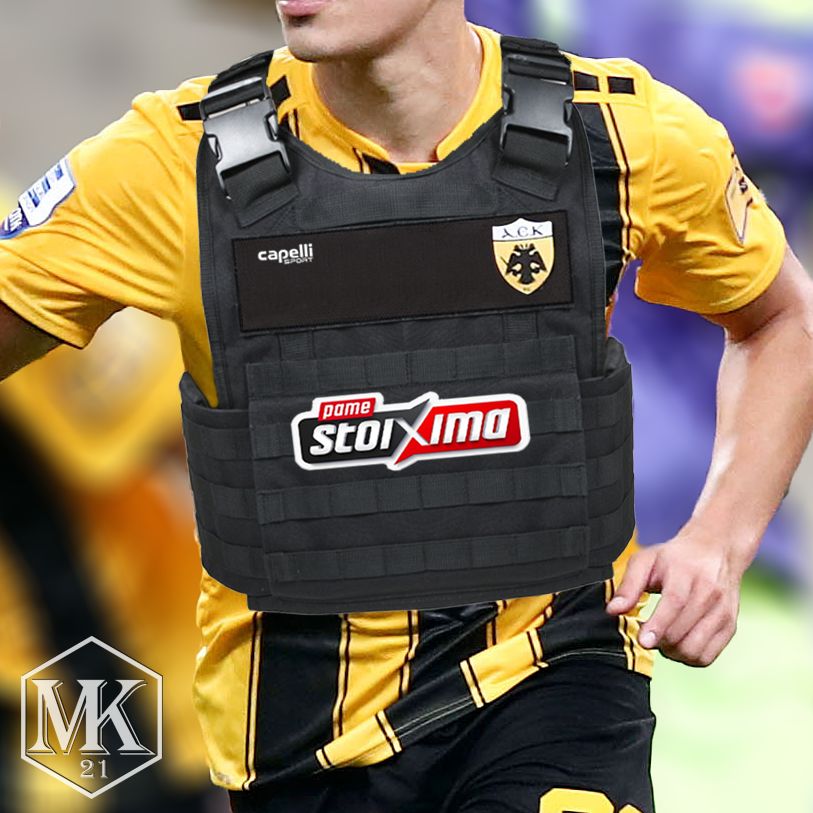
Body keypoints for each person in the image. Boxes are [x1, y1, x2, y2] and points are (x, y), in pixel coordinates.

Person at [1, 2, 812, 812]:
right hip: (299, 745)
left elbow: (782, 319)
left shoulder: (624, 135)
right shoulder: (170, 160)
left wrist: (719, 540)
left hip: (556, 681)